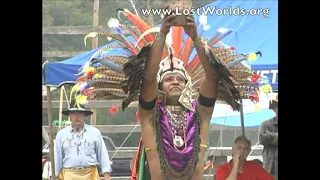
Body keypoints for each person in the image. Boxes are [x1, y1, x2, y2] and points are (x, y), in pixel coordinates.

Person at [71, 3, 266, 180]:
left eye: (180, 79)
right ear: (159, 87)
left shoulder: (200, 116)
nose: (175, 82)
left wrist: (196, 38)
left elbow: (213, 77)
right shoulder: (151, 117)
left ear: (188, 84)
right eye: (169, 79)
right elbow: (148, 77)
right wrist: (162, 33)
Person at [54, 100, 112, 180]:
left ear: (84, 115)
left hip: (90, 175)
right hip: (69, 175)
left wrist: (106, 174)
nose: (77, 116)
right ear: (69, 115)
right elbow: (57, 158)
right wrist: (55, 175)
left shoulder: (94, 132)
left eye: (80, 113)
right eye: (74, 113)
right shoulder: (61, 135)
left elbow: (103, 154)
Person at [258, 95, 278, 179]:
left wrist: (271, 136)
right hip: (270, 171)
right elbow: (262, 139)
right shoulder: (265, 124)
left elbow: (266, 138)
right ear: (274, 108)